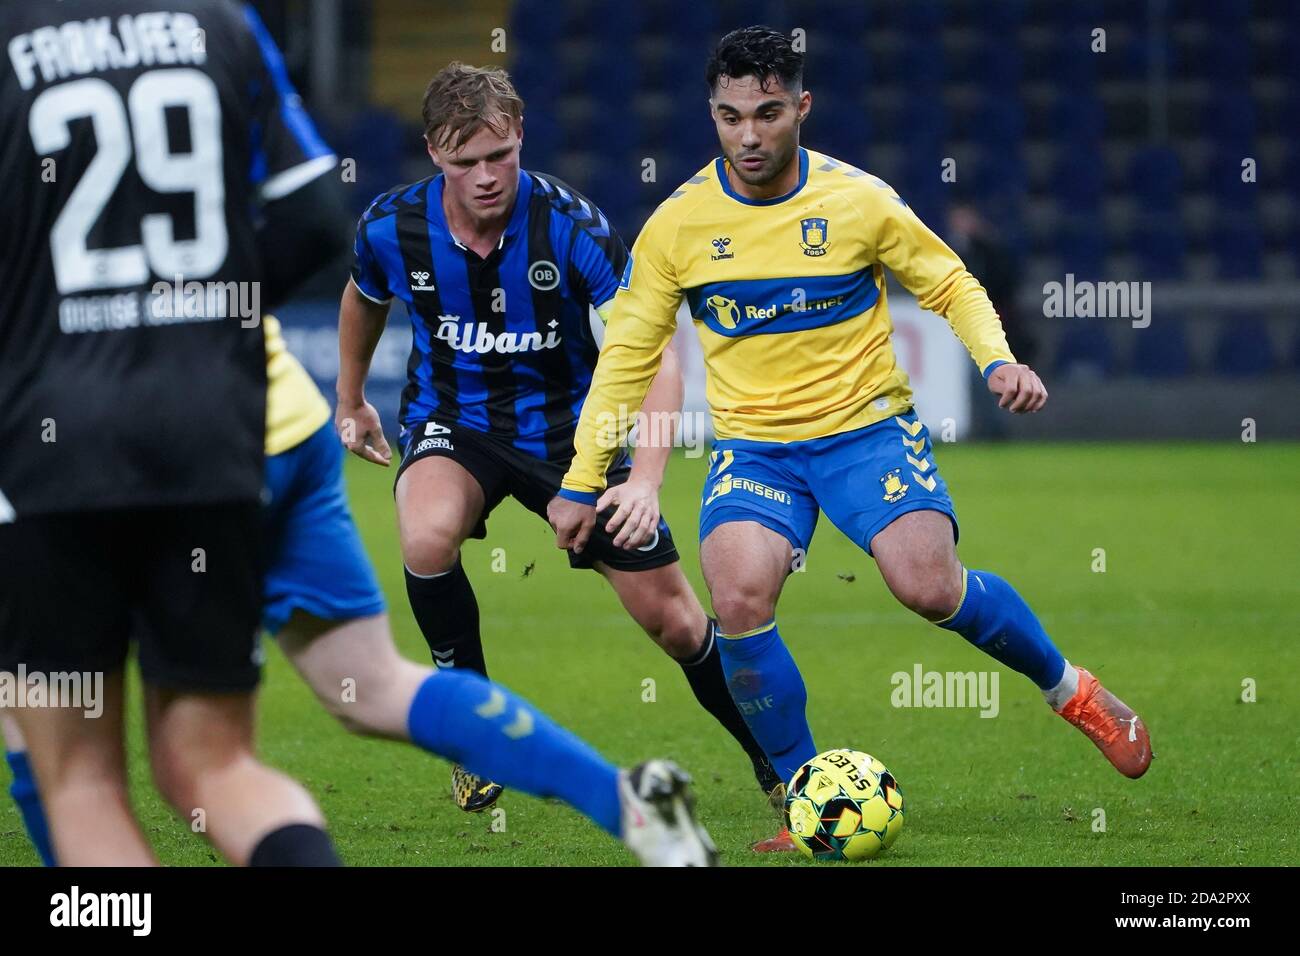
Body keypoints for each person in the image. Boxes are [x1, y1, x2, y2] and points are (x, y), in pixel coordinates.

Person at [548, 26, 1153, 853]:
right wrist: (584, 480)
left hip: (866, 431)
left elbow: (948, 282)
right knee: (737, 596)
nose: (749, 136)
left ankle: (1072, 689)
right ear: (712, 115)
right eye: (729, 117)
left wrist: (997, 359)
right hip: (756, 449)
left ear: (802, 106)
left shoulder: (859, 200)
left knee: (928, 588)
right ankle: (806, 801)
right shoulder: (677, 226)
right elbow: (625, 360)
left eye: (767, 113)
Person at [1, 314, 719, 867]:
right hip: (278, 422)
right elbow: (309, 230)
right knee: (369, 685)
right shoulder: (234, 114)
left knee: (96, 767)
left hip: (115, 455)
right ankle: (623, 800)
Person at [335, 62, 782, 822]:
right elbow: (364, 297)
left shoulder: (572, 227)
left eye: (500, 156)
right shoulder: (391, 226)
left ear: (520, 137)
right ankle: (472, 733)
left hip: (577, 435)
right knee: (426, 535)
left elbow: (656, 354)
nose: (485, 176)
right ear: (433, 154)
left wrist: (641, 479)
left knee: (674, 622)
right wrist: (350, 402)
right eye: (464, 162)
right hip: (456, 421)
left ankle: (777, 764)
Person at [0, 0, 346, 865]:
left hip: (53, 446)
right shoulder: (222, 25)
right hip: (212, 437)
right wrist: (199, 319)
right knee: (219, 769)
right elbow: (314, 224)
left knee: (80, 785)